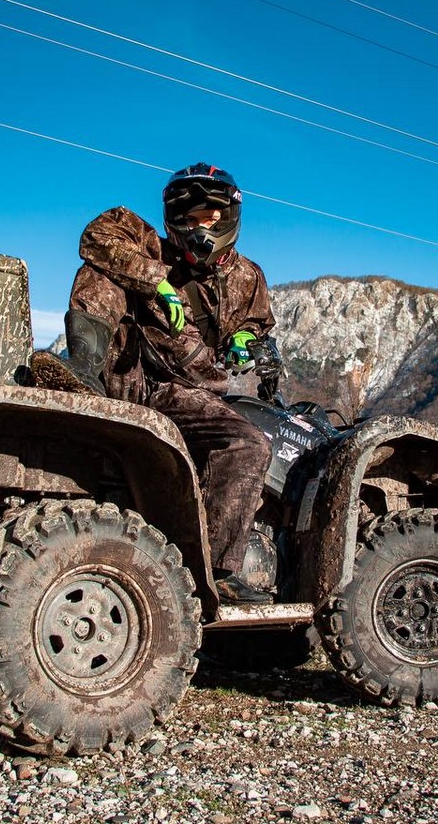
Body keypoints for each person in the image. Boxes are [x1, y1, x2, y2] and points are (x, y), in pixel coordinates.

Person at [56, 163, 279, 605]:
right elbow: (96, 238)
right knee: (105, 268)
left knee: (249, 444)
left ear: (229, 217)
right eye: (191, 219)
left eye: (211, 217)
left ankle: (216, 573)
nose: (201, 228)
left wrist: (245, 341)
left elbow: (257, 328)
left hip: (189, 393)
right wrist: (155, 281)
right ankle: (80, 371)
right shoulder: (148, 246)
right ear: (174, 220)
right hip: (122, 375)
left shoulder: (249, 277)